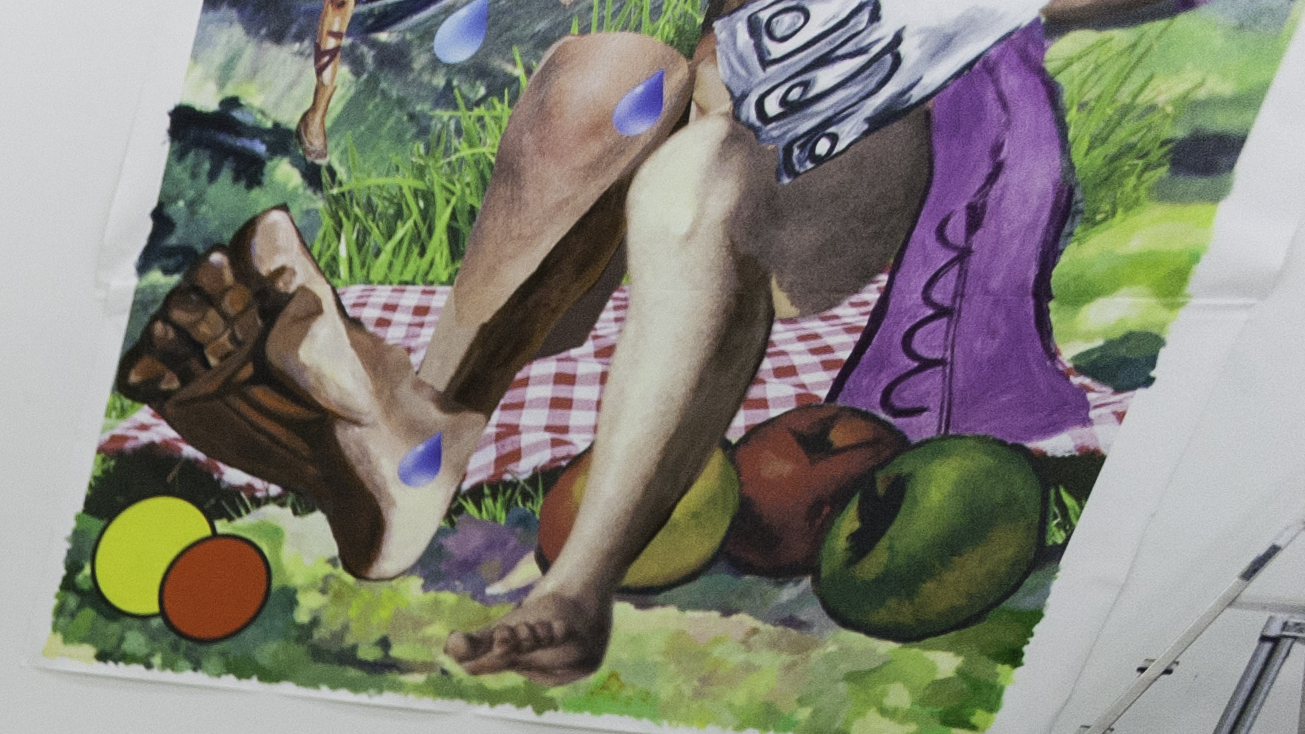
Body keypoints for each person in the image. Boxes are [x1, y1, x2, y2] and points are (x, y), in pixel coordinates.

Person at [119, 1, 1194, 685]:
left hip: (897, 131)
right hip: (743, 95)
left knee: (702, 172)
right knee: (608, 77)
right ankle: (422, 432)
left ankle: (576, 587)